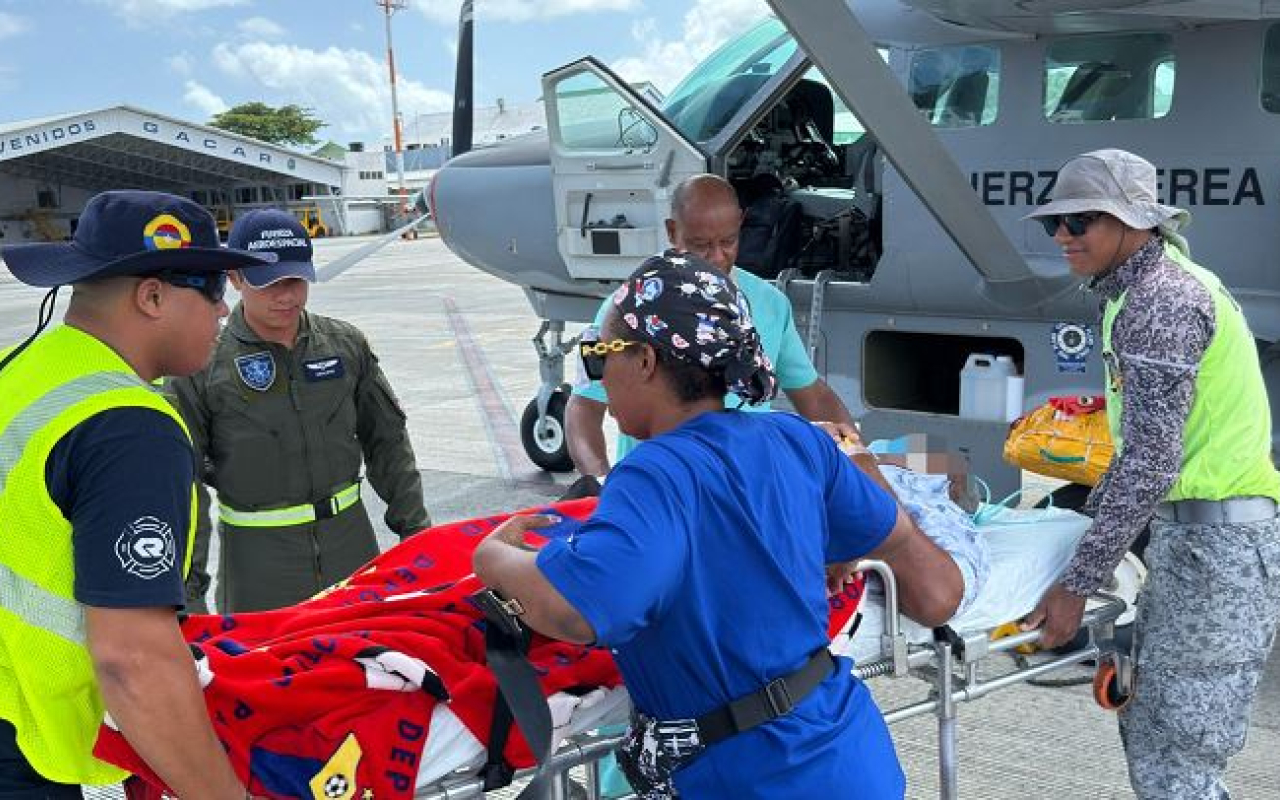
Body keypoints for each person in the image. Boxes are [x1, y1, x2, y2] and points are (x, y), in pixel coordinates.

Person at [474, 252, 962, 799]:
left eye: (597, 355)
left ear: (644, 361)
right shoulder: (794, 439)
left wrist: (492, 556)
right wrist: (831, 547)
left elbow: (576, 611)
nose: (598, 378)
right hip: (846, 753)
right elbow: (907, 551)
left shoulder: (654, 472)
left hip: (755, 776)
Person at [1021, 149, 1280, 798]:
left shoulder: (1158, 303)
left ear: (1133, 222)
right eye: (1053, 223)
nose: (1062, 237)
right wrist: (1085, 534)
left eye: (1080, 221)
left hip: (1216, 555)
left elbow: (1150, 463)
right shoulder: (1140, 293)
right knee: (1156, 743)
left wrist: (1076, 582)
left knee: (1178, 768)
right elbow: (1145, 451)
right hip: (1200, 548)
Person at [0, 190, 270, 796]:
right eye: (213, 292)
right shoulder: (127, 426)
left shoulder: (20, 370)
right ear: (152, 296)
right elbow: (133, 660)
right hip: (45, 755)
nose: (224, 313)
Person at [168, 208, 429, 613]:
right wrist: (187, 595)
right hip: (258, 567)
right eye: (267, 283)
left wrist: (417, 537)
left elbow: (388, 443)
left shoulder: (344, 345)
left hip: (352, 550)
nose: (285, 295)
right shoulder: (201, 364)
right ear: (235, 278)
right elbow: (183, 485)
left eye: (295, 280)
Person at [565, 173, 859, 483]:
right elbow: (584, 406)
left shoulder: (770, 304)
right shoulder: (629, 309)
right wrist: (599, 481)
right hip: (660, 483)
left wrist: (857, 455)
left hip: (744, 488)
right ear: (671, 230)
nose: (717, 257)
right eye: (700, 245)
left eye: (728, 241)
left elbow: (814, 396)